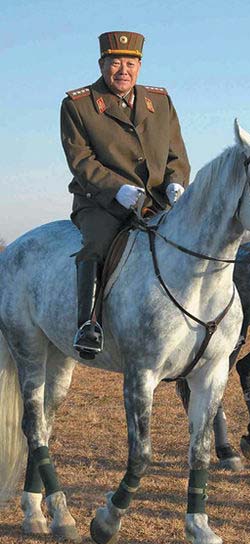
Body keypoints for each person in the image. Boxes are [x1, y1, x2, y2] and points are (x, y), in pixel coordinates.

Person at [61, 31, 190, 358]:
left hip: (159, 201)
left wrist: (176, 182)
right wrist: (115, 190)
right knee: (97, 247)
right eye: (115, 62)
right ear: (102, 64)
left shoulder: (159, 101)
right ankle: (88, 325)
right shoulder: (78, 105)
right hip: (100, 203)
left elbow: (176, 152)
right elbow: (80, 160)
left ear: (139, 65)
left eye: (130, 63)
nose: (123, 70)